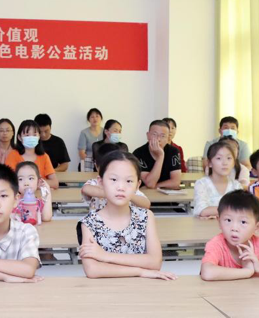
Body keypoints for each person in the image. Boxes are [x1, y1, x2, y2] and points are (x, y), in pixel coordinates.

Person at [77, 150, 176, 280]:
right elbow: (93, 270)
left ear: (137, 185)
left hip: (142, 289)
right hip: (104, 291)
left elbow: (155, 262)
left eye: (129, 181)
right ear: (100, 182)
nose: (121, 187)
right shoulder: (89, 223)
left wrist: (105, 256)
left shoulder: (146, 217)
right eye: (113, 179)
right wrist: (140, 271)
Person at [81, 143, 151, 212]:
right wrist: (110, 193)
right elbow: (85, 189)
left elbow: (146, 204)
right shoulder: (96, 183)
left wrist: (129, 195)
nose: (120, 186)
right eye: (113, 179)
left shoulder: (128, 187)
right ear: (97, 167)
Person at [194, 141, 243, 218]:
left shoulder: (236, 186)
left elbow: (241, 209)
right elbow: (202, 210)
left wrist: (213, 211)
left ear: (234, 163)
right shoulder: (202, 184)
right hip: (206, 225)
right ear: (209, 163)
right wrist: (231, 210)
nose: (225, 163)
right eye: (219, 158)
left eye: (229, 158)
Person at [5, 119, 59, 189]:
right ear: (19, 137)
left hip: (40, 195)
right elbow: (8, 181)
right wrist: (36, 183)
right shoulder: (13, 155)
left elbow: (55, 183)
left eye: (34, 135)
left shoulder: (44, 156)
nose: (31, 138)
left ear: (39, 136)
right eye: (27, 135)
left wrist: (30, 184)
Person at [133, 120, 182, 190]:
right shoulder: (138, 153)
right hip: (146, 195)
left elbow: (176, 182)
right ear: (148, 135)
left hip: (167, 194)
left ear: (168, 138)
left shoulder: (173, 151)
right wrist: (160, 157)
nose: (158, 139)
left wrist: (156, 186)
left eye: (163, 136)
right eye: (154, 134)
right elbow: (150, 183)